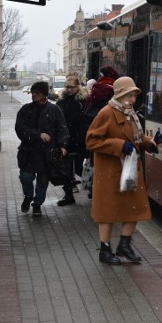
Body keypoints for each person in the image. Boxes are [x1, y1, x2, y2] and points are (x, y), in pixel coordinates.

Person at [85, 76, 157, 265]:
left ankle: (124, 245)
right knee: (107, 213)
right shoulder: (107, 113)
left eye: (134, 95)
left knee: (134, 210)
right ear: (119, 95)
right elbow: (91, 141)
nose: (133, 99)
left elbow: (137, 137)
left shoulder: (129, 112)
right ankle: (105, 250)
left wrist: (149, 143)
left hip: (129, 170)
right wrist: (119, 145)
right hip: (111, 172)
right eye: (129, 95)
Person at [15, 81, 69, 216]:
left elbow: (62, 129)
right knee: (25, 177)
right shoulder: (26, 109)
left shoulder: (54, 109)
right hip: (28, 152)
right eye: (33, 92)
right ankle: (28, 196)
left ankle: (37, 204)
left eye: (37, 93)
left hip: (47, 153)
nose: (34, 95)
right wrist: (37, 135)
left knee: (42, 181)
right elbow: (20, 128)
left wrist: (63, 145)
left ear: (44, 94)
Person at [82, 65, 119, 199]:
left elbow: (85, 114)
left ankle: (95, 188)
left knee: (96, 162)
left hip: (94, 135)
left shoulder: (93, 94)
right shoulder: (114, 95)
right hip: (109, 138)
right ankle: (104, 192)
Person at [55, 75, 88, 206]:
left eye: (71, 87)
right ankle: (68, 195)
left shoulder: (83, 101)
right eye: (67, 87)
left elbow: (85, 120)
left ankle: (92, 188)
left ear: (77, 87)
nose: (68, 89)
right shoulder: (61, 102)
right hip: (65, 140)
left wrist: (81, 135)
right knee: (66, 170)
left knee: (80, 167)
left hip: (79, 139)